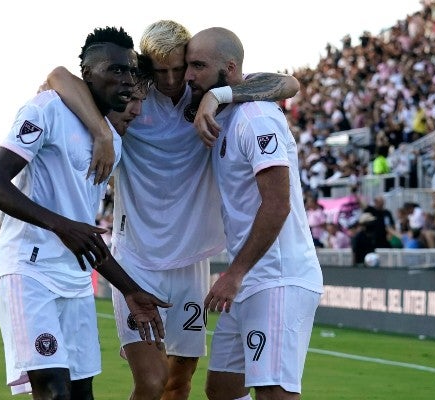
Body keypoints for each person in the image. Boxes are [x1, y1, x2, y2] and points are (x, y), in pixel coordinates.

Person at [42, 20, 300, 400]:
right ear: (146, 65)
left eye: (179, 68)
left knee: (179, 384)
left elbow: (288, 84)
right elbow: (59, 76)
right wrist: (100, 131)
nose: (171, 79)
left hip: (191, 263)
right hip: (136, 259)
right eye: (160, 70)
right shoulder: (131, 95)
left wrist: (216, 97)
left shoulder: (209, 92)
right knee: (151, 382)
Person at [0, 27, 170, 400]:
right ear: (88, 75)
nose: (126, 81)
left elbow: (84, 232)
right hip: (29, 270)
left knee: (82, 394)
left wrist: (130, 290)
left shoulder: (112, 142)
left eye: (129, 72)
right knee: (54, 390)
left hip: (76, 281)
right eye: (114, 71)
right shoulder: (48, 108)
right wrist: (59, 225)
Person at [184, 27, 323, 400]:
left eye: (198, 66)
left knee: (274, 392)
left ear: (229, 69)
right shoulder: (223, 116)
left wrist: (235, 273)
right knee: (224, 390)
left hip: (277, 276)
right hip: (249, 279)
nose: (188, 76)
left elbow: (277, 204)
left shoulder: (256, 116)